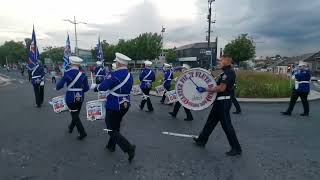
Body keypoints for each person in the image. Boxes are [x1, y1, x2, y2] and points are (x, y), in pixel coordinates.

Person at [193, 55, 242, 156]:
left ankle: (236, 148)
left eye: (221, 61)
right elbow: (217, 85)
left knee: (227, 126)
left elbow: (221, 88)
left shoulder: (228, 73)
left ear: (227, 62)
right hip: (220, 102)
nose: (219, 62)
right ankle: (201, 140)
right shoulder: (224, 73)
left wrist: (205, 89)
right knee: (210, 121)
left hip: (223, 103)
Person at [92, 52, 136, 163]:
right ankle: (111, 145)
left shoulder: (114, 74)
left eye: (116, 62)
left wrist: (96, 87)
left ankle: (129, 148)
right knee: (115, 126)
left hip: (114, 104)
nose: (115, 63)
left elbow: (103, 87)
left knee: (111, 129)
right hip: (125, 104)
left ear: (120, 63)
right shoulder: (129, 75)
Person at [56, 56, 89, 140]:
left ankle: (82, 132)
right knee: (76, 114)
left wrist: (57, 88)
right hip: (80, 96)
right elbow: (86, 89)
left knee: (74, 114)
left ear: (71, 63)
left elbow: (60, 85)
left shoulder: (67, 73)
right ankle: (70, 127)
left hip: (70, 96)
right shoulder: (83, 74)